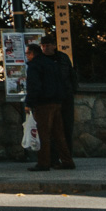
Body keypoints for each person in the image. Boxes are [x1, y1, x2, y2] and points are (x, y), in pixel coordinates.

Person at [26, 35, 77, 171]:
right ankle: (66, 160)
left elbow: (34, 85)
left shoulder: (37, 65)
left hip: (46, 102)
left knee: (44, 133)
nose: (46, 47)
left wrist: (30, 102)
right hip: (58, 100)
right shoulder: (54, 63)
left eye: (27, 54)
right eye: (44, 45)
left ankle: (44, 162)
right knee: (59, 133)